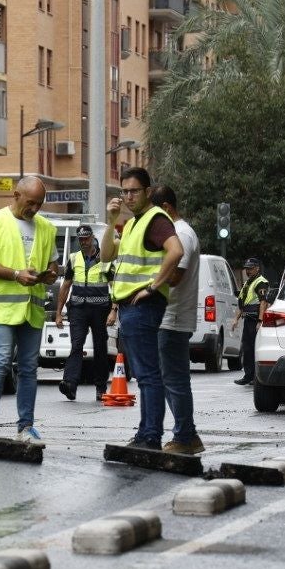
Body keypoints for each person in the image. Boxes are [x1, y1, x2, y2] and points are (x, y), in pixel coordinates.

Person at [100, 166, 184, 450]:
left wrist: (152, 286)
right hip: (131, 306)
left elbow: (176, 251)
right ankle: (146, 434)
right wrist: (111, 221)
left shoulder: (155, 218)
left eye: (134, 190)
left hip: (142, 305)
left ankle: (150, 436)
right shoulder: (134, 222)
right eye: (124, 191)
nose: (128, 196)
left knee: (148, 375)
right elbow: (105, 254)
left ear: (148, 191)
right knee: (145, 374)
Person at [0, 176, 59, 441]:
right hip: (2, 308)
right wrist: (15, 274)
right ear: (15, 195)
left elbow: (54, 264)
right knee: (0, 362)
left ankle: (26, 425)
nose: (34, 209)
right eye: (30, 202)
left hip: (31, 309)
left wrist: (50, 275)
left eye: (39, 204)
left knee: (29, 367)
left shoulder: (46, 227)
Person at [149, 185, 203, 455]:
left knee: (175, 380)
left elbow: (175, 276)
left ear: (167, 209)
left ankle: (185, 436)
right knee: (171, 379)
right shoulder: (180, 232)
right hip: (168, 317)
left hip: (173, 317)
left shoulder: (180, 233)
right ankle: (187, 434)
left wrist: (147, 279)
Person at [53, 225, 114, 402]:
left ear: (92, 238)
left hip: (100, 309)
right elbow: (65, 286)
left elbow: (114, 286)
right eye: (80, 239)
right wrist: (58, 313)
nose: (83, 242)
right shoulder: (74, 258)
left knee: (100, 348)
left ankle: (101, 387)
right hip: (78, 308)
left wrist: (114, 310)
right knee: (77, 345)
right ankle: (70, 384)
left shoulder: (105, 259)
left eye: (86, 238)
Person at [233, 256, 268, 386]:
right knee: (247, 349)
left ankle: (255, 377)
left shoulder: (260, 282)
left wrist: (260, 320)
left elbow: (263, 302)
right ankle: (248, 376)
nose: (248, 271)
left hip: (255, 321)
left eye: (251, 269)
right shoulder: (248, 283)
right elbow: (242, 304)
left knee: (254, 348)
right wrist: (235, 319)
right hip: (248, 320)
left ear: (257, 268)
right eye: (247, 269)